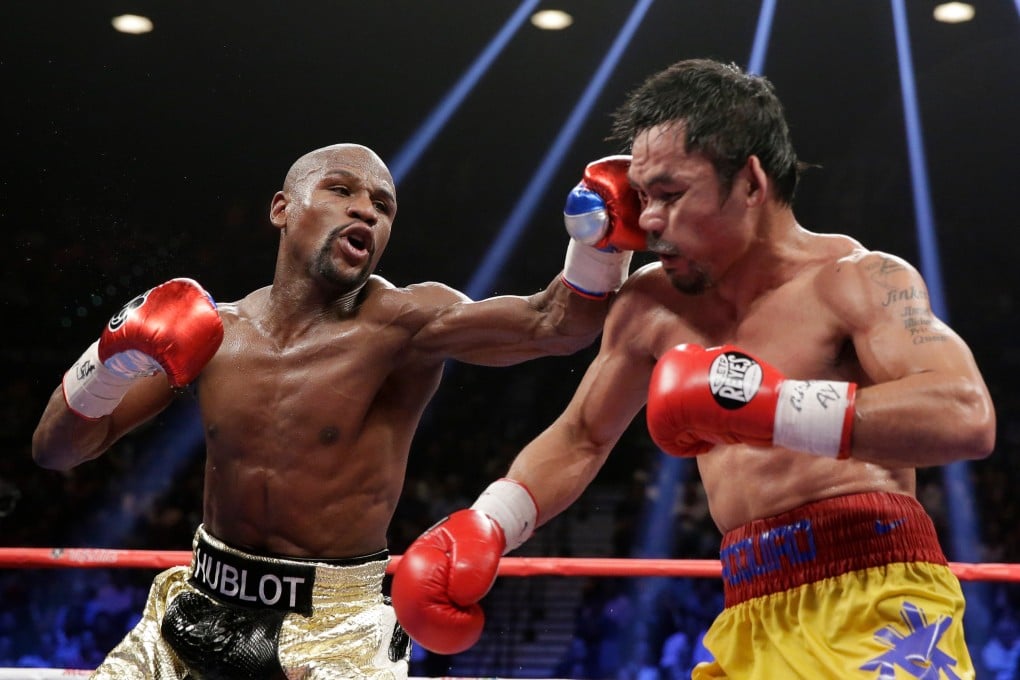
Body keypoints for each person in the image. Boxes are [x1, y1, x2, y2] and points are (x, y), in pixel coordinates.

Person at [391, 59, 997, 679]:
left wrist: (772, 407)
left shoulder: (857, 280)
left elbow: (963, 413)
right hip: (747, 606)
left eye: (672, 195)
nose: (649, 220)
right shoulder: (651, 304)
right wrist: (490, 522)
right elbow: (581, 437)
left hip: (877, 592)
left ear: (752, 182)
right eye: (643, 196)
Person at [31, 142, 646, 679]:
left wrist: (600, 243)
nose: (366, 211)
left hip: (335, 625)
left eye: (383, 206)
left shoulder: (403, 323)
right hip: (199, 601)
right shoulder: (215, 332)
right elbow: (56, 452)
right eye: (341, 190)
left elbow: (554, 325)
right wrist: (107, 361)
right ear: (282, 209)